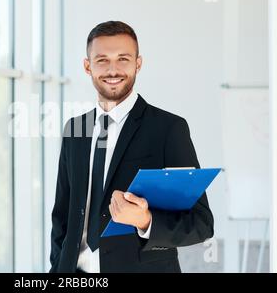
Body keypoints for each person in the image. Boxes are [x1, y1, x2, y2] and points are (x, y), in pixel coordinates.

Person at [50, 21, 214, 273]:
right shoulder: (74, 129)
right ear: (87, 66)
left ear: (138, 63)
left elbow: (201, 223)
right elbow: (63, 215)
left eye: (123, 59)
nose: (113, 69)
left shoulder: (168, 129)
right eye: (102, 60)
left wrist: (146, 221)